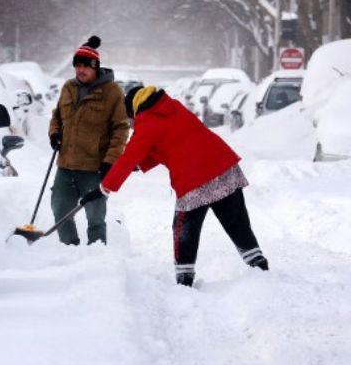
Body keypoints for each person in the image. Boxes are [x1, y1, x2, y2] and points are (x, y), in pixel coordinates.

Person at [100, 85, 269, 286]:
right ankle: (260, 269)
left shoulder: (147, 121)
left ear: (133, 110)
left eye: (130, 118)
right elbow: (168, 144)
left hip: (194, 180)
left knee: (184, 229)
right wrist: (139, 165)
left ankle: (184, 279)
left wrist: (105, 186)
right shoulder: (172, 106)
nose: (131, 122)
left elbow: (130, 155)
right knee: (236, 223)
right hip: (224, 168)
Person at [48, 35, 129, 245]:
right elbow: (56, 116)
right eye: (77, 66)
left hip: (94, 167)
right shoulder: (68, 87)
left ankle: (97, 258)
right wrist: (54, 134)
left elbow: (120, 129)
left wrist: (110, 160)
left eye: (86, 66)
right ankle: (70, 249)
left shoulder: (112, 92)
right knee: (60, 210)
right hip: (66, 165)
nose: (80, 70)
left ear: (96, 67)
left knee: (95, 217)